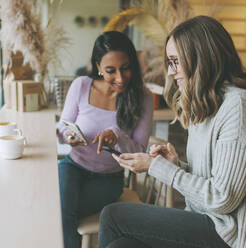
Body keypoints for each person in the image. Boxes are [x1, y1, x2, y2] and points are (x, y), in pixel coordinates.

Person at [99, 16, 246, 248]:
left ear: (201, 59)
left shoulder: (240, 106)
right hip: (212, 221)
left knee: (113, 216)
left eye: (176, 62)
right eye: (170, 62)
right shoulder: (205, 103)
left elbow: (222, 199)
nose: (170, 72)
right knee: (121, 245)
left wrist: (157, 167)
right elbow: (214, 181)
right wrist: (177, 166)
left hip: (237, 233)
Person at [56, 31, 154, 248]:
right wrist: (68, 135)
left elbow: (140, 151)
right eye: (110, 71)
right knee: (61, 209)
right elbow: (62, 127)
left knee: (61, 210)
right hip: (73, 167)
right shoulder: (81, 85)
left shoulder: (144, 98)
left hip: (108, 179)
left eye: (126, 68)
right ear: (98, 67)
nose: (120, 78)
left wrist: (116, 136)